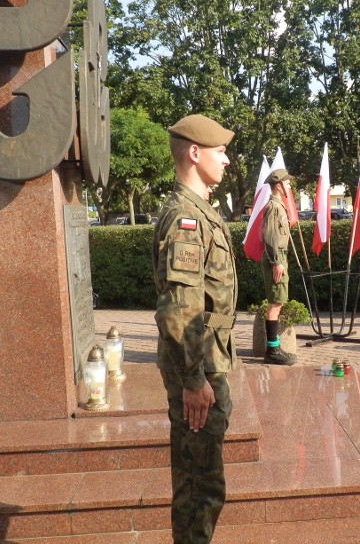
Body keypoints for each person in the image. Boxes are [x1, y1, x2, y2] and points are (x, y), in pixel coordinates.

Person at [152, 113, 238, 544]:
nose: (227, 160)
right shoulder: (185, 219)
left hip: (206, 362)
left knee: (203, 480)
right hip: (198, 368)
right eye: (221, 152)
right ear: (194, 153)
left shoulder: (199, 212)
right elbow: (180, 308)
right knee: (199, 487)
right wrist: (193, 379)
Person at [260, 168, 298, 366]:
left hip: (280, 256)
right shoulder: (274, 207)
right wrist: (276, 262)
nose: (289, 186)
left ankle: (274, 347)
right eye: (287, 182)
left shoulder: (278, 206)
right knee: (275, 302)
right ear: (278, 185)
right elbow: (270, 237)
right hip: (277, 257)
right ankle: (272, 350)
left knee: (278, 301)